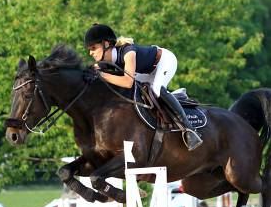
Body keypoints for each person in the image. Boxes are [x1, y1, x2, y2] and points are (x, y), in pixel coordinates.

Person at [84, 23, 202, 151]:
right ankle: (176, 96)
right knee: (136, 93)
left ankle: (189, 130)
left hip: (164, 61)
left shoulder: (128, 52)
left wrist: (102, 75)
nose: (91, 53)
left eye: (93, 48)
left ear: (106, 44)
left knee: (157, 90)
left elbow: (128, 82)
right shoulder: (106, 62)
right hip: (146, 72)